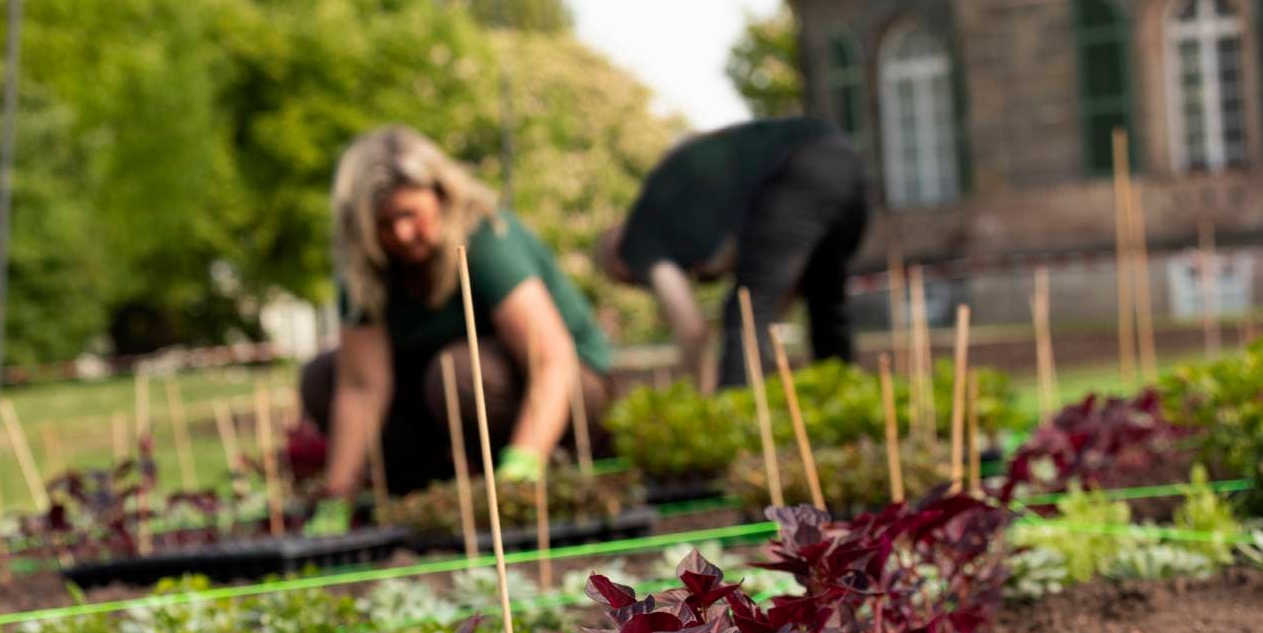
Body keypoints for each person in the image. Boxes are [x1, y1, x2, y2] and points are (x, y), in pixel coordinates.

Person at [301, 126, 611, 529]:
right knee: (323, 376)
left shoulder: (485, 236)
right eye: (383, 223)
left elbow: (551, 361)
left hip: (567, 391)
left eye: (410, 215)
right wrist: (336, 497)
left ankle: (520, 480)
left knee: (461, 374)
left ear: (441, 196)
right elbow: (361, 387)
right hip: (444, 399)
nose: (400, 234)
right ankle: (430, 497)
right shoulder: (365, 268)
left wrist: (522, 465)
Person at [598, 116, 868, 391]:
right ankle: (845, 401)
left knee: (745, 310)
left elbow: (691, 328)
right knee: (825, 299)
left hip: (799, 166)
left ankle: (733, 410)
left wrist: (697, 396)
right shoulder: (673, 204)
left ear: (617, 264)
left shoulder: (637, 243)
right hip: (846, 159)